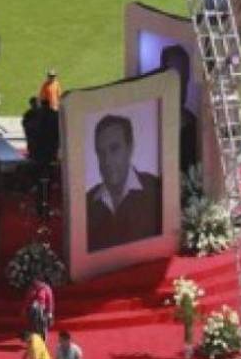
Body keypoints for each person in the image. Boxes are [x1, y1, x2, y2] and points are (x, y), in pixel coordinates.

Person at [85, 114, 162, 253]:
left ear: (130, 148)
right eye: (101, 153)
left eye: (114, 149)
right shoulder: (86, 204)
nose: (107, 161)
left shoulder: (156, 189)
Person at [159, 43, 199, 176]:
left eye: (184, 76)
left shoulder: (194, 124)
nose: (181, 84)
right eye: (176, 77)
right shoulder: (151, 121)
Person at [21, 97, 41, 162]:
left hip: (37, 133)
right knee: (32, 144)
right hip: (32, 132)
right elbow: (24, 122)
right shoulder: (29, 113)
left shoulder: (40, 112)